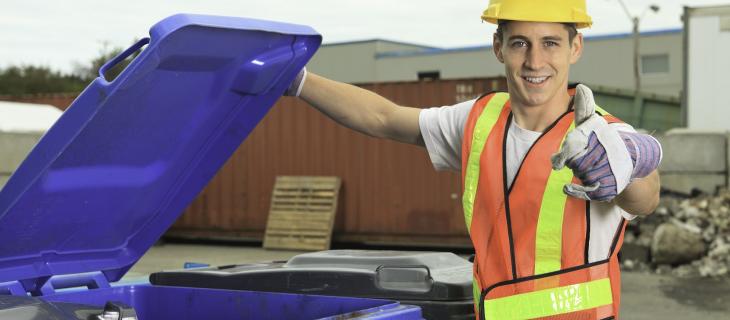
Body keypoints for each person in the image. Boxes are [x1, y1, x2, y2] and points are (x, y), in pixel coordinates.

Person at [285, 0, 661, 318]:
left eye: (550, 43)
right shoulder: (478, 120)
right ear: (498, 47)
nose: (535, 60)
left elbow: (646, 197)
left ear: (575, 47)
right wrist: (298, 80)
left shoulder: (602, 135)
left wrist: (631, 164)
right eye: (520, 43)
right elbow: (383, 117)